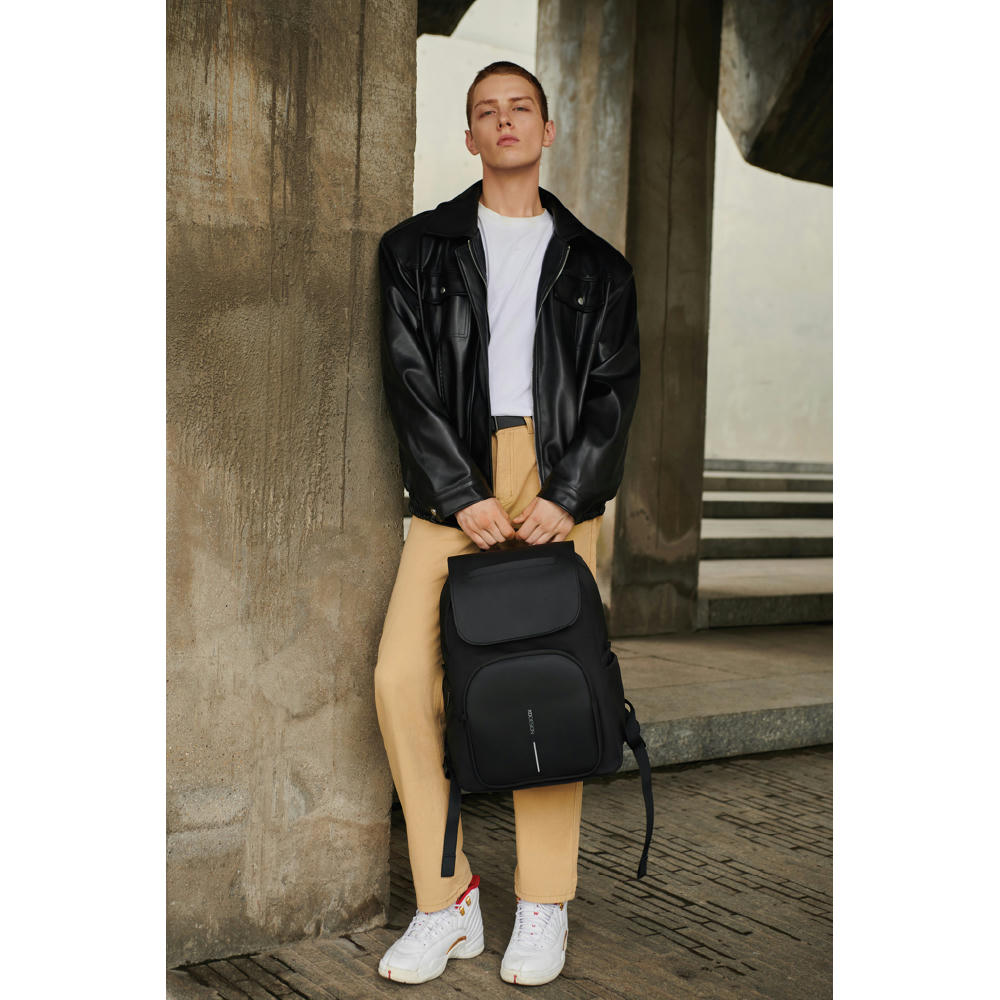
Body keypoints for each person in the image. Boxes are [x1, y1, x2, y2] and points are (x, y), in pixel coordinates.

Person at [373, 60, 641, 986]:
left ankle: (543, 903)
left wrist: (570, 494)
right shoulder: (414, 251)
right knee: (400, 680)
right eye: (486, 111)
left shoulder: (599, 266)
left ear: (547, 129)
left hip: (555, 478)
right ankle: (446, 902)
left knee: (549, 684)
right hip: (455, 478)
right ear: (470, 137)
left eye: (520, 107)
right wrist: (460, 489)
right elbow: (407, 379)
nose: (505, 121)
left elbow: (613, 394)